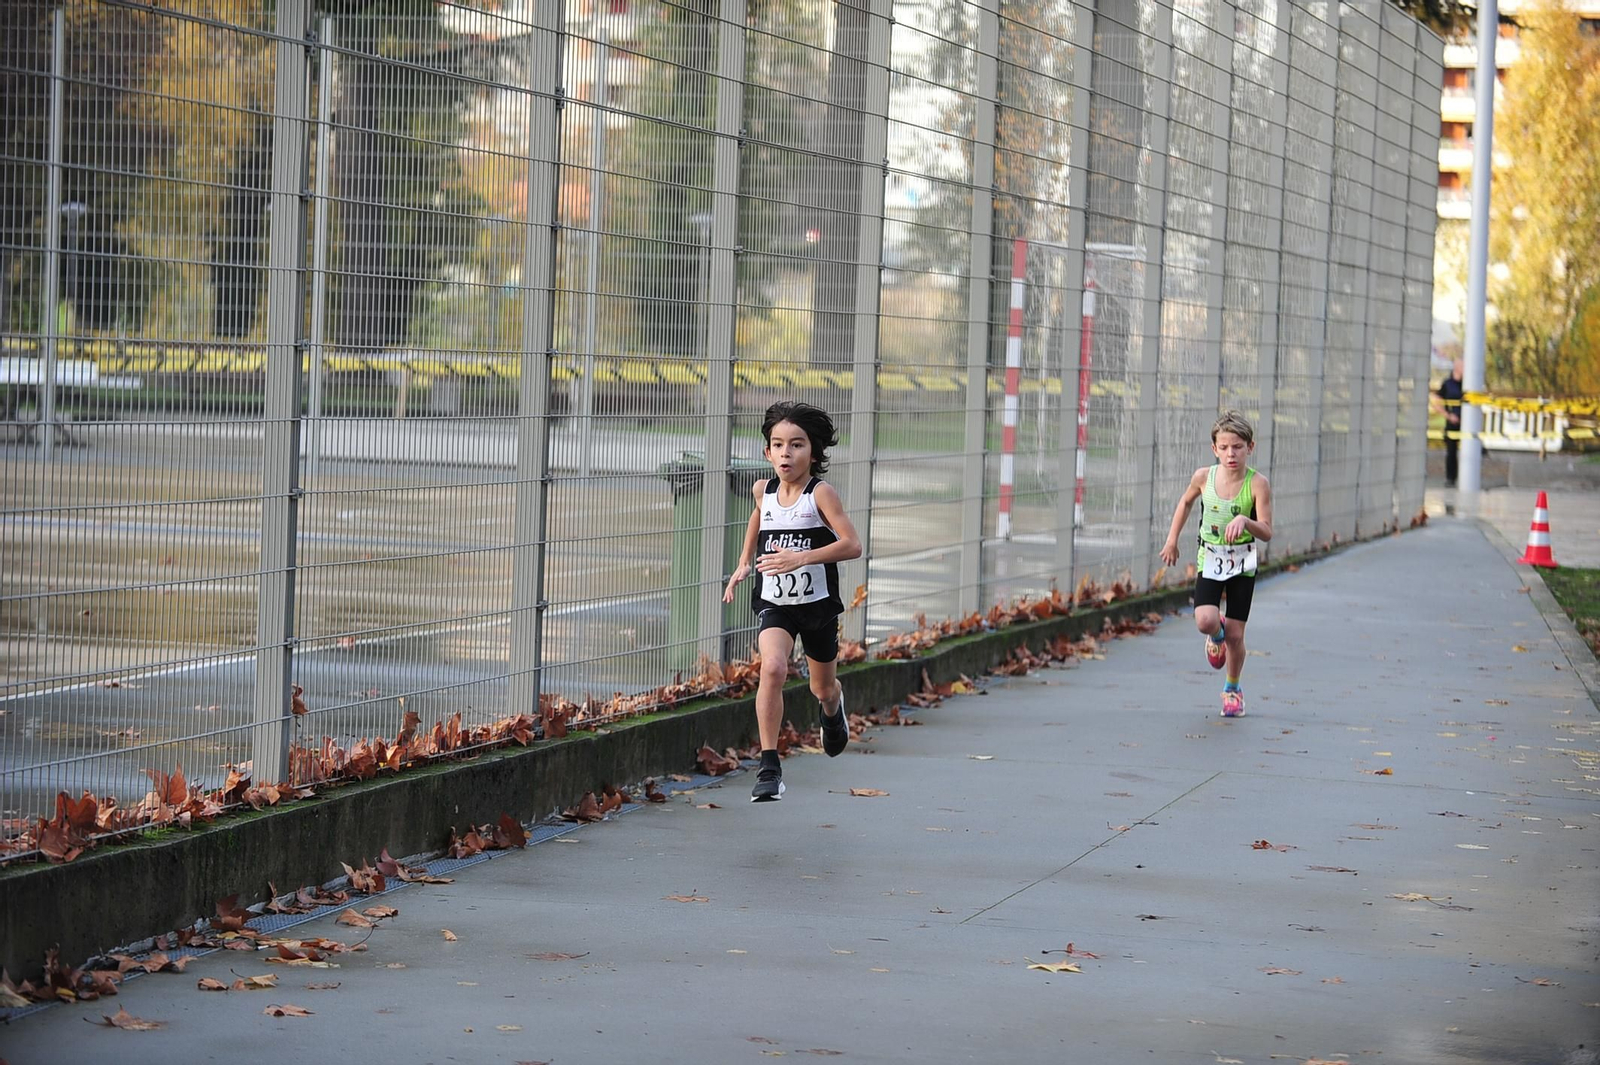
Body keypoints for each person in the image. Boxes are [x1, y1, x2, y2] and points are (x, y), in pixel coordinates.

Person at [723, 401, 862, 801]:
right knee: (774, 667)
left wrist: (800, 557)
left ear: (813, 453)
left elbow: (852, 545)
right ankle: (769, 767)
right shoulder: (762, 490)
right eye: (778, 445)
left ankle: (833, 709)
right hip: (775, 602)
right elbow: (759, 515)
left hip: (817, 606)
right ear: (767, 452)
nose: (786, 453)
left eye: (797, 445)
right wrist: (744, 561)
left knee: (822, 687)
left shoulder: (821, 494)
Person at [1159, 410, 1274, 718]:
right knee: (1205, 621)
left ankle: (1232, 689)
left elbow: (1266, 530)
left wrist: (1245, 521)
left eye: (1237, 446)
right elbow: (1185, 503)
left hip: (1242, 566)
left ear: (1250, 447)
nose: (1230, 454)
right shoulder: (1203, 477)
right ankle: (1216, 634)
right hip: (1210, 560)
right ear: (1214, 449)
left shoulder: (1257, 484)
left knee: (1237, 636)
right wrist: (1172, 540)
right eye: (1223, 447)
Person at [1431, 357, 1465, 487]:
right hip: (1452, 422)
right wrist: (1449, 416)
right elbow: (1437, 401)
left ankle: (1464, 477)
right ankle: (1451, 478)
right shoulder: (1448, 384)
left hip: (1466, 423)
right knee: (1451, 451)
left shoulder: (1468, 384)